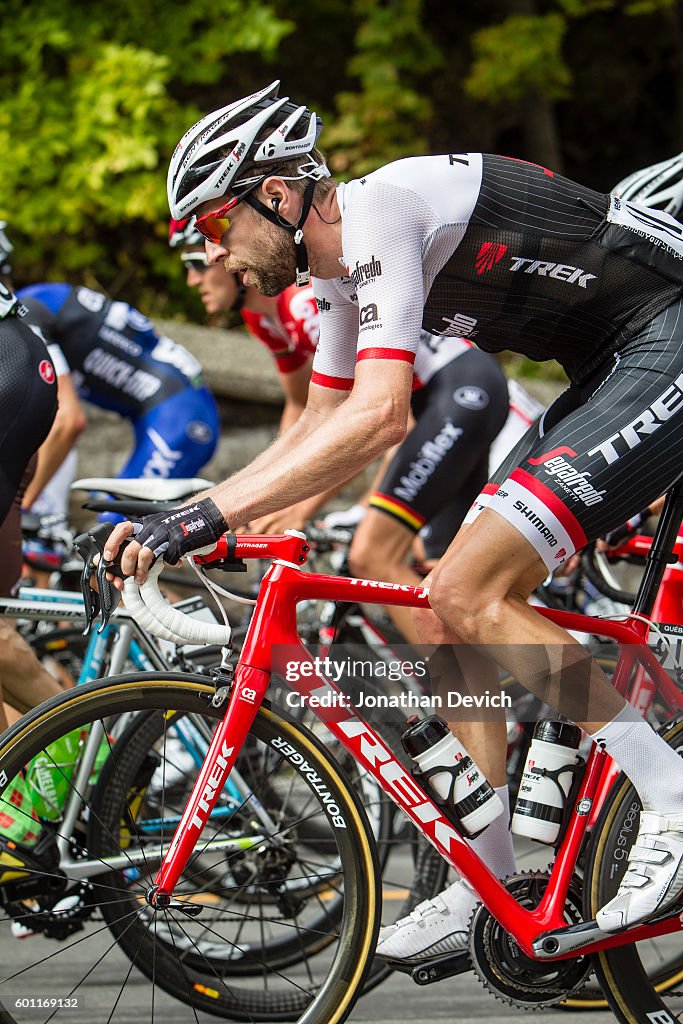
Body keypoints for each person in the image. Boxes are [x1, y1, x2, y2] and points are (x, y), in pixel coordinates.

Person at [105, 83, 683, 955]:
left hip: (663, 333)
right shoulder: (332, 280)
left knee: (464, 587)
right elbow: (318, 428)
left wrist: (196, 519)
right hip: (604, 364)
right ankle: (488, 876)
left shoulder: (379, 209)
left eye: (218, 225)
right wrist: (210, 522)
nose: (216, 256)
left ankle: (671, 805)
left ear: (276, 193)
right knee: (456, 606)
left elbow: (381, 418)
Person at [0, 226, 220, 521]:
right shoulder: (36, 304)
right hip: (170, 409)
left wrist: (18, 508)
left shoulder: (27, 315)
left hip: (179, 417)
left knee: (114, 533)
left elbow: (69, 422)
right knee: (102, 534)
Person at [170, 215, 318, 435]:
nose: (192, 280)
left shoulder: (302, 304)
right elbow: (298, 404)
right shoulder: (259, 318)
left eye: (196, 264)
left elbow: (378, 392)